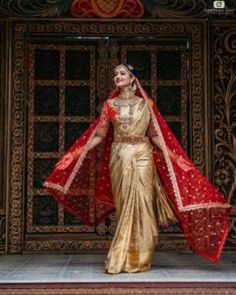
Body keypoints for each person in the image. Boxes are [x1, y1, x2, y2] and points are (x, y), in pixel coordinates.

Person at [44, 64, 231, 274]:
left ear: (132, 78)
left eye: (122, 73)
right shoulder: (109, 105)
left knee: (143, 203)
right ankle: (122, 255)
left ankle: (141, 257)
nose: (117, 76)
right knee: (125, 206)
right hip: (119, 156)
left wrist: (175, 157)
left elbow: (155, 135)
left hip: (143, 155)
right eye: (115, 73)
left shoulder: (145, 104)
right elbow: (99, 135)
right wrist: (74, 154)